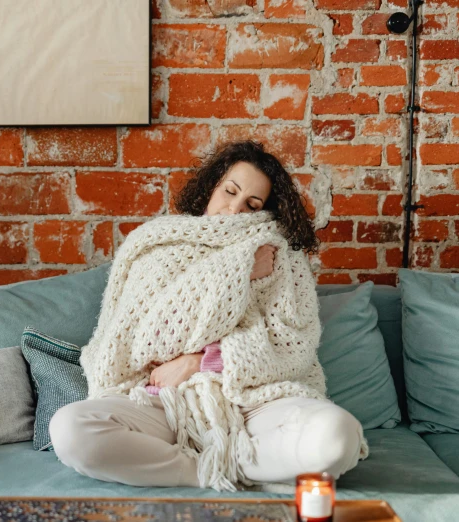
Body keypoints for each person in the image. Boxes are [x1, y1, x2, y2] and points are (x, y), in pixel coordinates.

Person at [49, 140, 364, 489]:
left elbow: (293, 348)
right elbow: (148, 337)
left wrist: (201, 362)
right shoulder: (155, 244)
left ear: (267, 211)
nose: (234, 209)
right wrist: (238, 270)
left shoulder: (280, 258)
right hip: (162, 403)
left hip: (253, 402)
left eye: (252, 204)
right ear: (211, 187)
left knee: (339, 437)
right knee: (69, 430)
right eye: (230, 191)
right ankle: (207, 469)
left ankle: (223, 460)